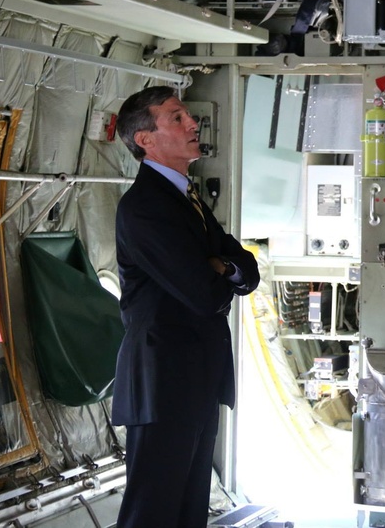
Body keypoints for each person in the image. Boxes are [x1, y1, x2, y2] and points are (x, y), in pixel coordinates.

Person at [112, 86, 260, 528]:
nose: (192, 123)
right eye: (176, 118)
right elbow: (204, 294)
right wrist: (218, 271)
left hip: (192, 381)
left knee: (188, 513)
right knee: (152, 513)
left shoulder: (187, 201)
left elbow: (247, 269)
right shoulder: (145, 207)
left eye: (188, 116)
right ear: (146, 139)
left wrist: (221, 266)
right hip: (162, 383)